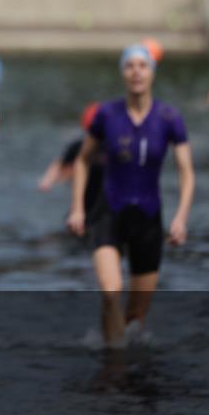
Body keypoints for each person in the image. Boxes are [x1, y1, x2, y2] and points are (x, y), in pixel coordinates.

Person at [67, 44, 195, 346]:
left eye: (143, 65)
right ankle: (115, 365)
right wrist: (77, 209)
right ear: (123, 73)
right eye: (130, 66)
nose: (136, 72)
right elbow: (83, 160)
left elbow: (187, 173)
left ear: (152, 72)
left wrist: (181, 218)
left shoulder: (169, 118)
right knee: (111, 293)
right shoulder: (106, 114)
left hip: (149, 218)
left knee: (136, 314)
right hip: (108, 213)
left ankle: (116, 349)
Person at [38, 102, 108, 223]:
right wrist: (48, 180)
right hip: (84, 199)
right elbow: (60, 163)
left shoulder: (114, 147)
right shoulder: (78, 146)